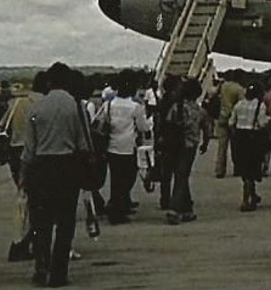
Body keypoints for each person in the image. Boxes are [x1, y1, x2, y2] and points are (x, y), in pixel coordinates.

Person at [20, 64, 93, 287]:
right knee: (65, 222)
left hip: (41, 168)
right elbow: (84, 143)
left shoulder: (37, 108)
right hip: (67, 168)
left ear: (49, 82)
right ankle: (59, 273)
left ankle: (41, 267)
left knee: (41, 222)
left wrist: (24, 176)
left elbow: (29, 150)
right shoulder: (76, 108)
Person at [95, 72, 150, 224]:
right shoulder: (135, 107)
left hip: (112, 146)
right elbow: (142, 127)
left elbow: (101, 122)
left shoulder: (109, 105)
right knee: (127, 179)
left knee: (115, 179)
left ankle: (117, 205)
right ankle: (119, 208)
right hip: (128, 146)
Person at [159, 79, 205, 224]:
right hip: (190, 145)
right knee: (182, 176)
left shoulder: (176, 107)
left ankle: (186, 208)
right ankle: (176, 209)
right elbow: (206, 127)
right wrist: (206, 143)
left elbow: (167, 123)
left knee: (180, 175)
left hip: (174, 144)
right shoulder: (198, 110)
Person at [4, 75, 38, 263]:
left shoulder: (16, 103)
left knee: (23, 197)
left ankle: (21, 242)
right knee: (35, 201)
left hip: (14, 153)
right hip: (30, 153)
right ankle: (22, 243)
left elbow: (2, 126)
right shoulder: (39, 105)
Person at [230, 82, 271, 211]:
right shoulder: (260, 106)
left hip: (240, 137)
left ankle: (252, 195)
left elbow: (231, 122)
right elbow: (262, 123)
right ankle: (246, 201)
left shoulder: (239, 104)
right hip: (254, 138)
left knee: (245, 170)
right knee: (252, 170)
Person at [213, 72, 246, 179]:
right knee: (235, 145)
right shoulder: (239, 89)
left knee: (222, 146)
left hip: (222, 116)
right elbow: (241, 104)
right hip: (233, 119)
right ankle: (238, 168)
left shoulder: (224, 86)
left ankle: (220, 169)